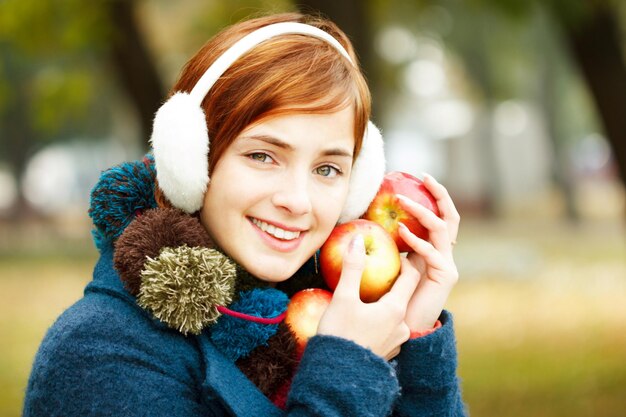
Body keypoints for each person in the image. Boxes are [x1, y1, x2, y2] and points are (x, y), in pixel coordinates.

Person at [23, 12, 466, 417]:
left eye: (328, 169)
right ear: (192, 161)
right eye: (263, 156)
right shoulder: (99, 352)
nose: (298, 201)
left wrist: (417, 345)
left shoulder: (338, 319)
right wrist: (348, 370)